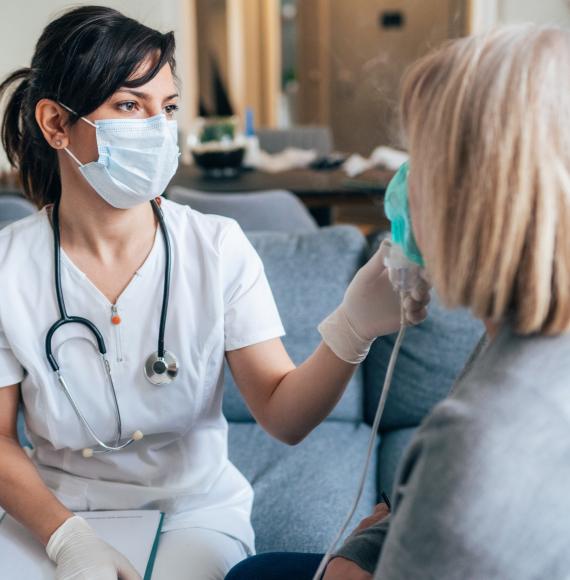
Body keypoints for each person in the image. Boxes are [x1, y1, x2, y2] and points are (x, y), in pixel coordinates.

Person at [0, 6, 430, 580]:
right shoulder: (9, 267)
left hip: (191, 512)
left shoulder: (216, 247)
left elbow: (284, 415)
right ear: (56, 124)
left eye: (168, 108)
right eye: (130, 106)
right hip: (58, 516)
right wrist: (68, 541)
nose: (157, 128)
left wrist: (353, 327)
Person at [227, 24, 570, 580]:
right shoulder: (520, 332)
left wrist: (352, 555)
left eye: (423, 163)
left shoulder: (476, 442)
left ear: (474, 198)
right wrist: (358, 552)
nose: (404, 186)